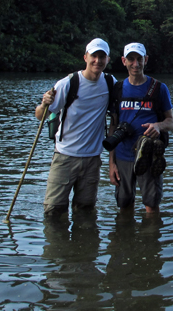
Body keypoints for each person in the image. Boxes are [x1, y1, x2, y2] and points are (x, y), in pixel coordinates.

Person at [35, 38, 115, 218]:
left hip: (92, 160)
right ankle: (57, 246)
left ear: (108, 59)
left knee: (86, 212)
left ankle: (85, 245)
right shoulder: (68, 83)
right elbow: (41, 116)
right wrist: (43, 104)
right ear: (85, 57)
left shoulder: (110, 83)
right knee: (53, 212)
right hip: (64, 157)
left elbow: (118, 115)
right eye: (94, 56)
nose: (98, 61)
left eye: (102, 57)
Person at [108, 42, 173, 215]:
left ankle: (150, 239)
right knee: (124, 205)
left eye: (139, 59)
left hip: (149, 156)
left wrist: (158, 126)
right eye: (131, 59)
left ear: (146, 60)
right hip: (123, 156)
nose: (135, 64)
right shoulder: (118, 90)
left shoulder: (159, 89)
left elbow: (171, 122)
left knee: (151, 206)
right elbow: (113, 126)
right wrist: (111, 163)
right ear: (124, 61)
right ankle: (127, 240)